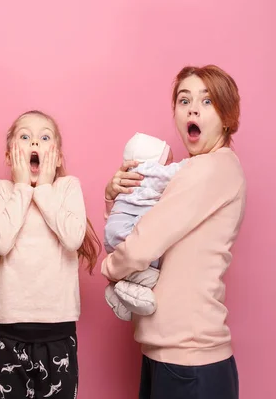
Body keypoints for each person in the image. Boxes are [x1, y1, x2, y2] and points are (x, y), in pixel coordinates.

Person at [102, 65, 246, 399]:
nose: (193, 108)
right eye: (184, 100)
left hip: (190, 361)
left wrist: (108, 269)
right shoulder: (197, 171)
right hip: (171, 353)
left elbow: (140, 247)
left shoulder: (211, 167)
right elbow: (146, 229)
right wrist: (115, 196)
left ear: (227, 117)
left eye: (207, 101)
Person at [0, 110, 101, 399]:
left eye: (44, 137)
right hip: (9, 330)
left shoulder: (66, 188)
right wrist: (23, 187)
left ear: (57, 157)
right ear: (10, 156)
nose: (34, 142)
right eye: (25, 137)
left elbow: (74, 238)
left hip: (58, 331)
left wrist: (45, 188)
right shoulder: (0, 190)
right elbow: (0, 242)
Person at [104, 132, 187, 320]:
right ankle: (126, 289)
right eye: (168, 160)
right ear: (152, 160)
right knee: (155, 279)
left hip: (116, 229)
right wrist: (194, 163)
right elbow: (178, 172)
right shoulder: (149, 171)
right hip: (128, 230)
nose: (170, 164)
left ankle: (116, 291)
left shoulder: (135, 176)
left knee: (135, 268)